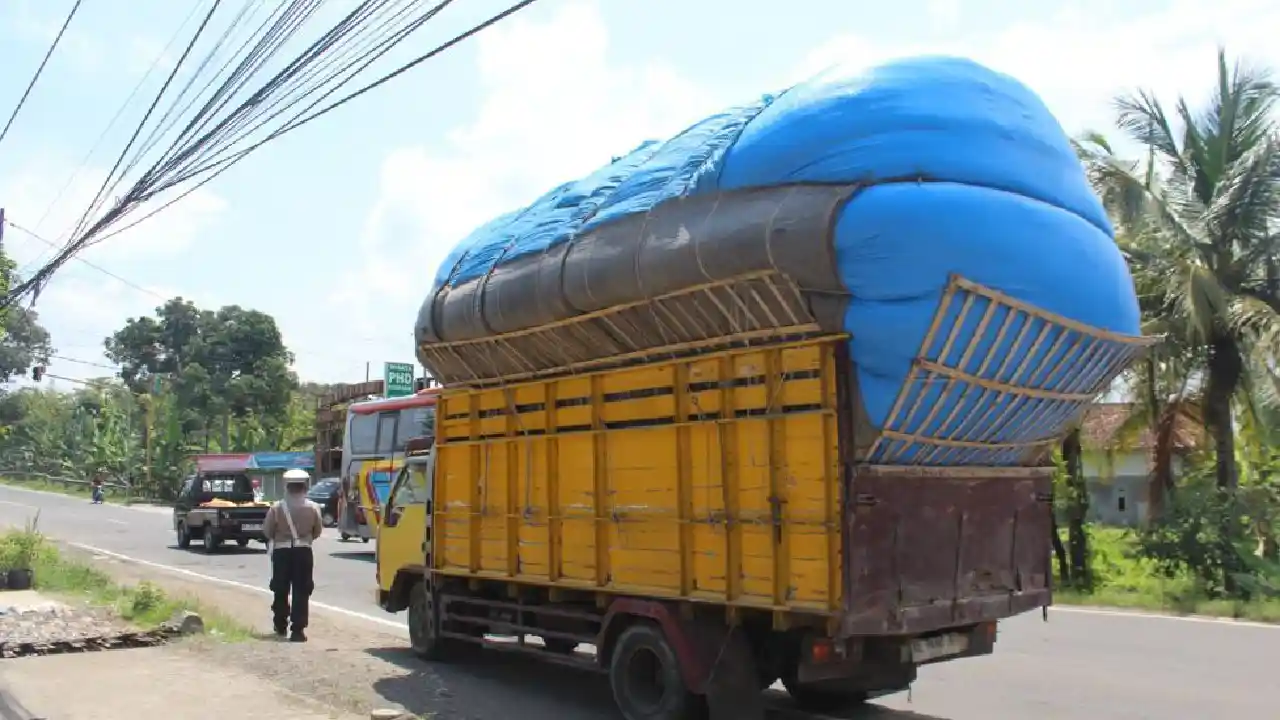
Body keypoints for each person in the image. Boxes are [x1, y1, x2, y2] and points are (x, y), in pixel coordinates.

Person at [262, 468, 324, 641]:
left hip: (282, 552)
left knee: (280, 588)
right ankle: (298, 629)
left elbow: (267, 531)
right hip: (303, 552)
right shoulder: (313, 508)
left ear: (287, 487)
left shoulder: (276, 508)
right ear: (305, 486)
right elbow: (317, 531)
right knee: (302, 590)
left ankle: (280, 624)